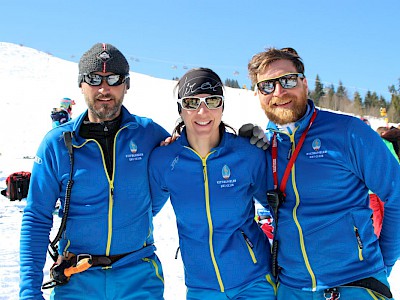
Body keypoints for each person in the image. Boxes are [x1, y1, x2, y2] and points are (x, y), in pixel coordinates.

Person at [241, 47, 400, 299]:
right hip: (292, 289)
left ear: (304, 84)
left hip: (355, 285)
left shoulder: (347, 132)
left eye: (288, 80)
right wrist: (244, 151)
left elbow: (397, 194)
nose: (279, 92)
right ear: (258, 94)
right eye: (267, 86)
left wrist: (384, 263)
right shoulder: (265, 147)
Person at [20, 43, 169, 300]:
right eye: (93, 79)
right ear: (81, 84)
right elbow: (37, 217)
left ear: (126, 84)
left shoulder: (149, 134)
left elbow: (196, 155)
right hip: (76, 279)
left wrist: (250, 141)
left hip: (138, 277)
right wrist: (29, 293)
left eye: (113, 78)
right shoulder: (57, 144)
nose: (104, 88)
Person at [149, 68, 276, 300]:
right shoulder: (164, 160)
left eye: (212, 100)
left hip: (254, 282)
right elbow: (143, 212)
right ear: (180, 108)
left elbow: (279, 206)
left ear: (222, 106)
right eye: (191, 102)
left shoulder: (247, 153)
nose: (202, 111)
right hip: (201, 288)